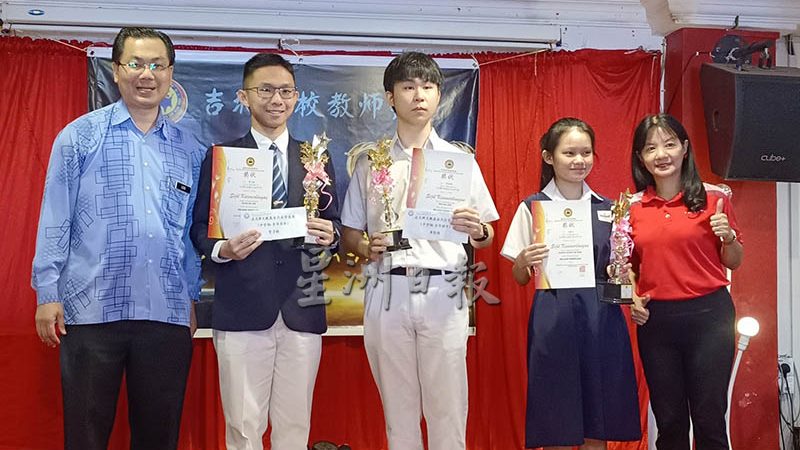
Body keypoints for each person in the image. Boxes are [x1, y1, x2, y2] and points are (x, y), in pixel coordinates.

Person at [31, 27, 204, 450]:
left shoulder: (190, 149)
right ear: (115, 69)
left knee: (159, 436)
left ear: (171, 73)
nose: (147, 75)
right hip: (91, 310)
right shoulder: (79, 137)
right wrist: (47, 292)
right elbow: (55, 216)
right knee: (86, 435)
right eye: (135, 64)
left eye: (157, 65)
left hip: (165, 312)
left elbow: (188, 233)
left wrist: (190, 297)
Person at [340, 51, 499, 450]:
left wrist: (477, 229)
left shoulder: (459, 161)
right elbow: (349, 234)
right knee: (398, 411)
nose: (418, 95)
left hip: (444, 288)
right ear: (390, 97)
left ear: (439, 95)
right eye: (408, 87)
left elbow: (487, 234)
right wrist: (367, 245)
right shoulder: (371, 161)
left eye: (427, 87)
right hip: (387, 289)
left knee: (448, 407)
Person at [190, 53, 340, 450]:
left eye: (286, 91)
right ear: (244, 96)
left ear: (297, 97)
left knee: (295, 426)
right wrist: (223, 249)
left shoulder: (316, 158)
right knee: (243, 426)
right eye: (266, 90)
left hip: (301, 307)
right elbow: (200, 230)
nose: (277, 99)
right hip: (242, 307)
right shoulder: (222, 158)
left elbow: (335, 224)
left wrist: (331, 234)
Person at [500, 118, 641, 450]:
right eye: (569, 153)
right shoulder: (533, 208)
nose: (579, 160)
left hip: (601, 316)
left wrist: (622, 274)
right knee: (557, 416)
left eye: (586, 153)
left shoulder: (610, 208)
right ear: (549, 157)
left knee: (598, 418)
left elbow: (622, 268)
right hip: (553, 316)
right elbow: (520, 277)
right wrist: (523, 261)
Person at [627, 114, 743, 450]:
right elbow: (627, 266)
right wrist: (632, 296)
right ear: (641, 158)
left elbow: (733, 260)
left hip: (710, 318)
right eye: (651, 148)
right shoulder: (631, 207)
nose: (661, 154)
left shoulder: (714, 197)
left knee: (709, 419)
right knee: (670, 422)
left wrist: (728, 236)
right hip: (656, 322)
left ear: (685, 148)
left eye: (669, 144)